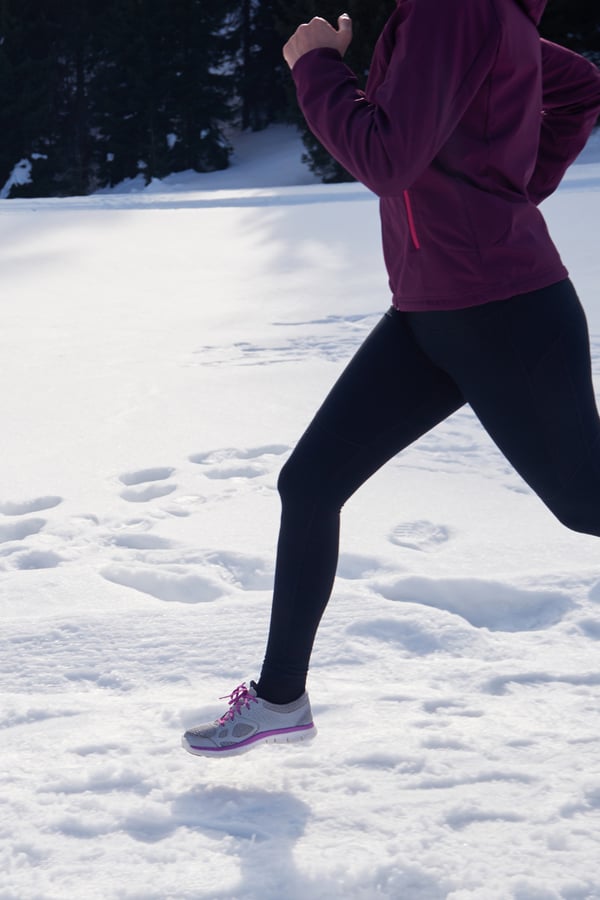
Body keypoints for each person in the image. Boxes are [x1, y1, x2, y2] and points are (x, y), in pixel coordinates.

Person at [182, 0, 600, 757]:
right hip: (430, 309)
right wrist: (502, 194)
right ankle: (280, 698)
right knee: (311, 483)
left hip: (502, 309)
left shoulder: (451, 9)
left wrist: (316, 66)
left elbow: (386, 161)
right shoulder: (460, 15)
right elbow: (577, 87)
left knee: (586, 505)